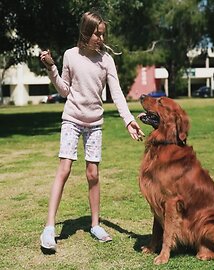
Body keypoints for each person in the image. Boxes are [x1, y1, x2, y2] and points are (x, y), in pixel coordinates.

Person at [39, 11, 145, 251]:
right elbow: (65, 90)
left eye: (103, 33)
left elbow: (116, 93)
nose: (101, 37)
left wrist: (128, 120)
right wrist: (51, 69)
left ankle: (95, 224)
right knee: (64, 168)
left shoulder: (106, 59)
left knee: (93, 174)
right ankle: (49, 228)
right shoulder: (70, 55)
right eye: (97, 33)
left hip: (95, 122)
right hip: (72, 119)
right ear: (86, 32)